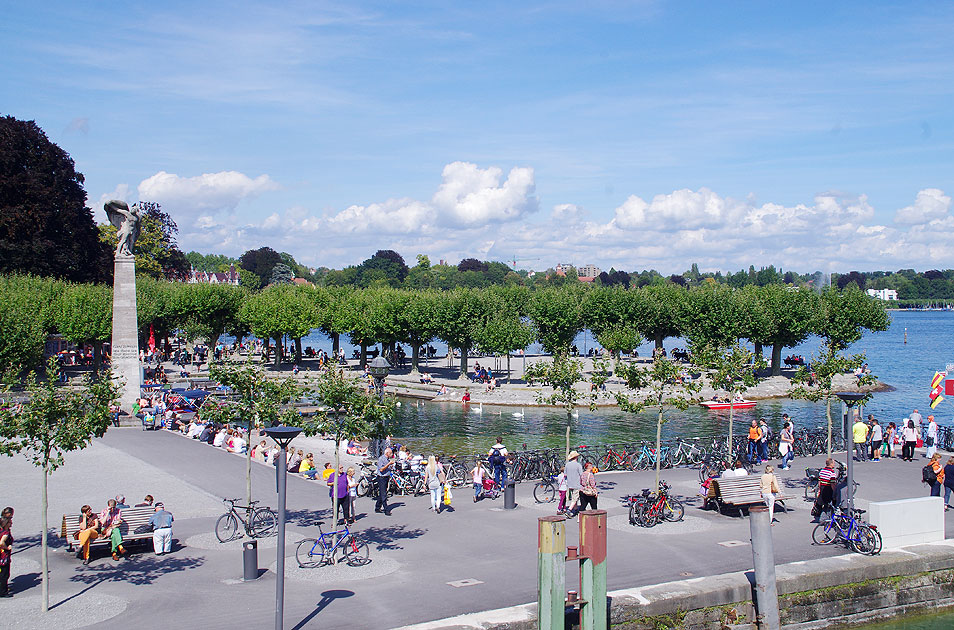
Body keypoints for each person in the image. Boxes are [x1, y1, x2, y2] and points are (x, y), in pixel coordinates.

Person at [564, 451, 583, 516]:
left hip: (569, 484)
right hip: (577, 484)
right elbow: (581, 475)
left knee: (574, 497)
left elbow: (565, 474)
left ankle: (575, 509)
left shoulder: (567, 464)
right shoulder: (578, 465)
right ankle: (569, 510)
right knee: (575, 498)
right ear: (576, 457)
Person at [375, 448, 394, 515]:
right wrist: (389, 464)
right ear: (387, 453)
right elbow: (381, 469)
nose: (391, 454)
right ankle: (386, 509)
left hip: (386, 477)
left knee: (383, 492)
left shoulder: (387, 459)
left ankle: (377, 507)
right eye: (390, 453)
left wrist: (391, 467)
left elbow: (387, 468)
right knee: (384, 494)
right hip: (381, 478)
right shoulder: (381, 459)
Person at [0, 514, 12, 597]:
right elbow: (1, 543)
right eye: (10, 522)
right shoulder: (5, 533)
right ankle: (3, 592)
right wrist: (7, 548)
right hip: (3, 556)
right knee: (4, 574)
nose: (11, 523)